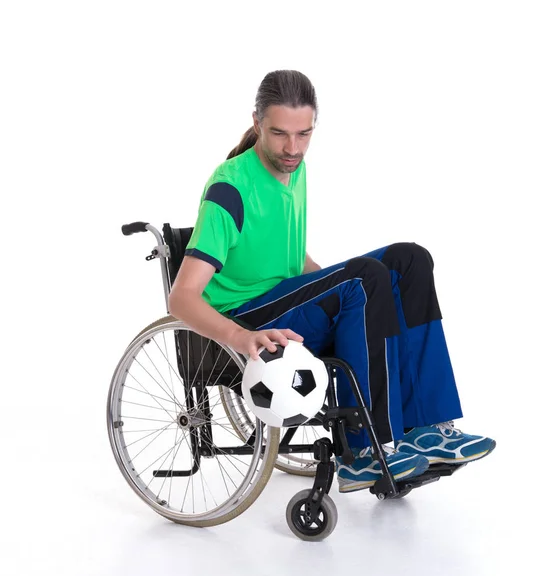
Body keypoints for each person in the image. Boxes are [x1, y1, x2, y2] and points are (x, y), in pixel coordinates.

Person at [168, 70, 496, 494]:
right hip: (246, 315)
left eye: (304, 134)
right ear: (256, 123)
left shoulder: (294, 172)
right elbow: (182, 297)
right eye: (280, 134)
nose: (293, 148)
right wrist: (240, 336)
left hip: (285, 300)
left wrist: (337, 283)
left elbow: (287, 257)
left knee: (409, 260)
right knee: (364, 278)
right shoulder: (229, 189)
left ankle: (428, 428)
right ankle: (364, 452)